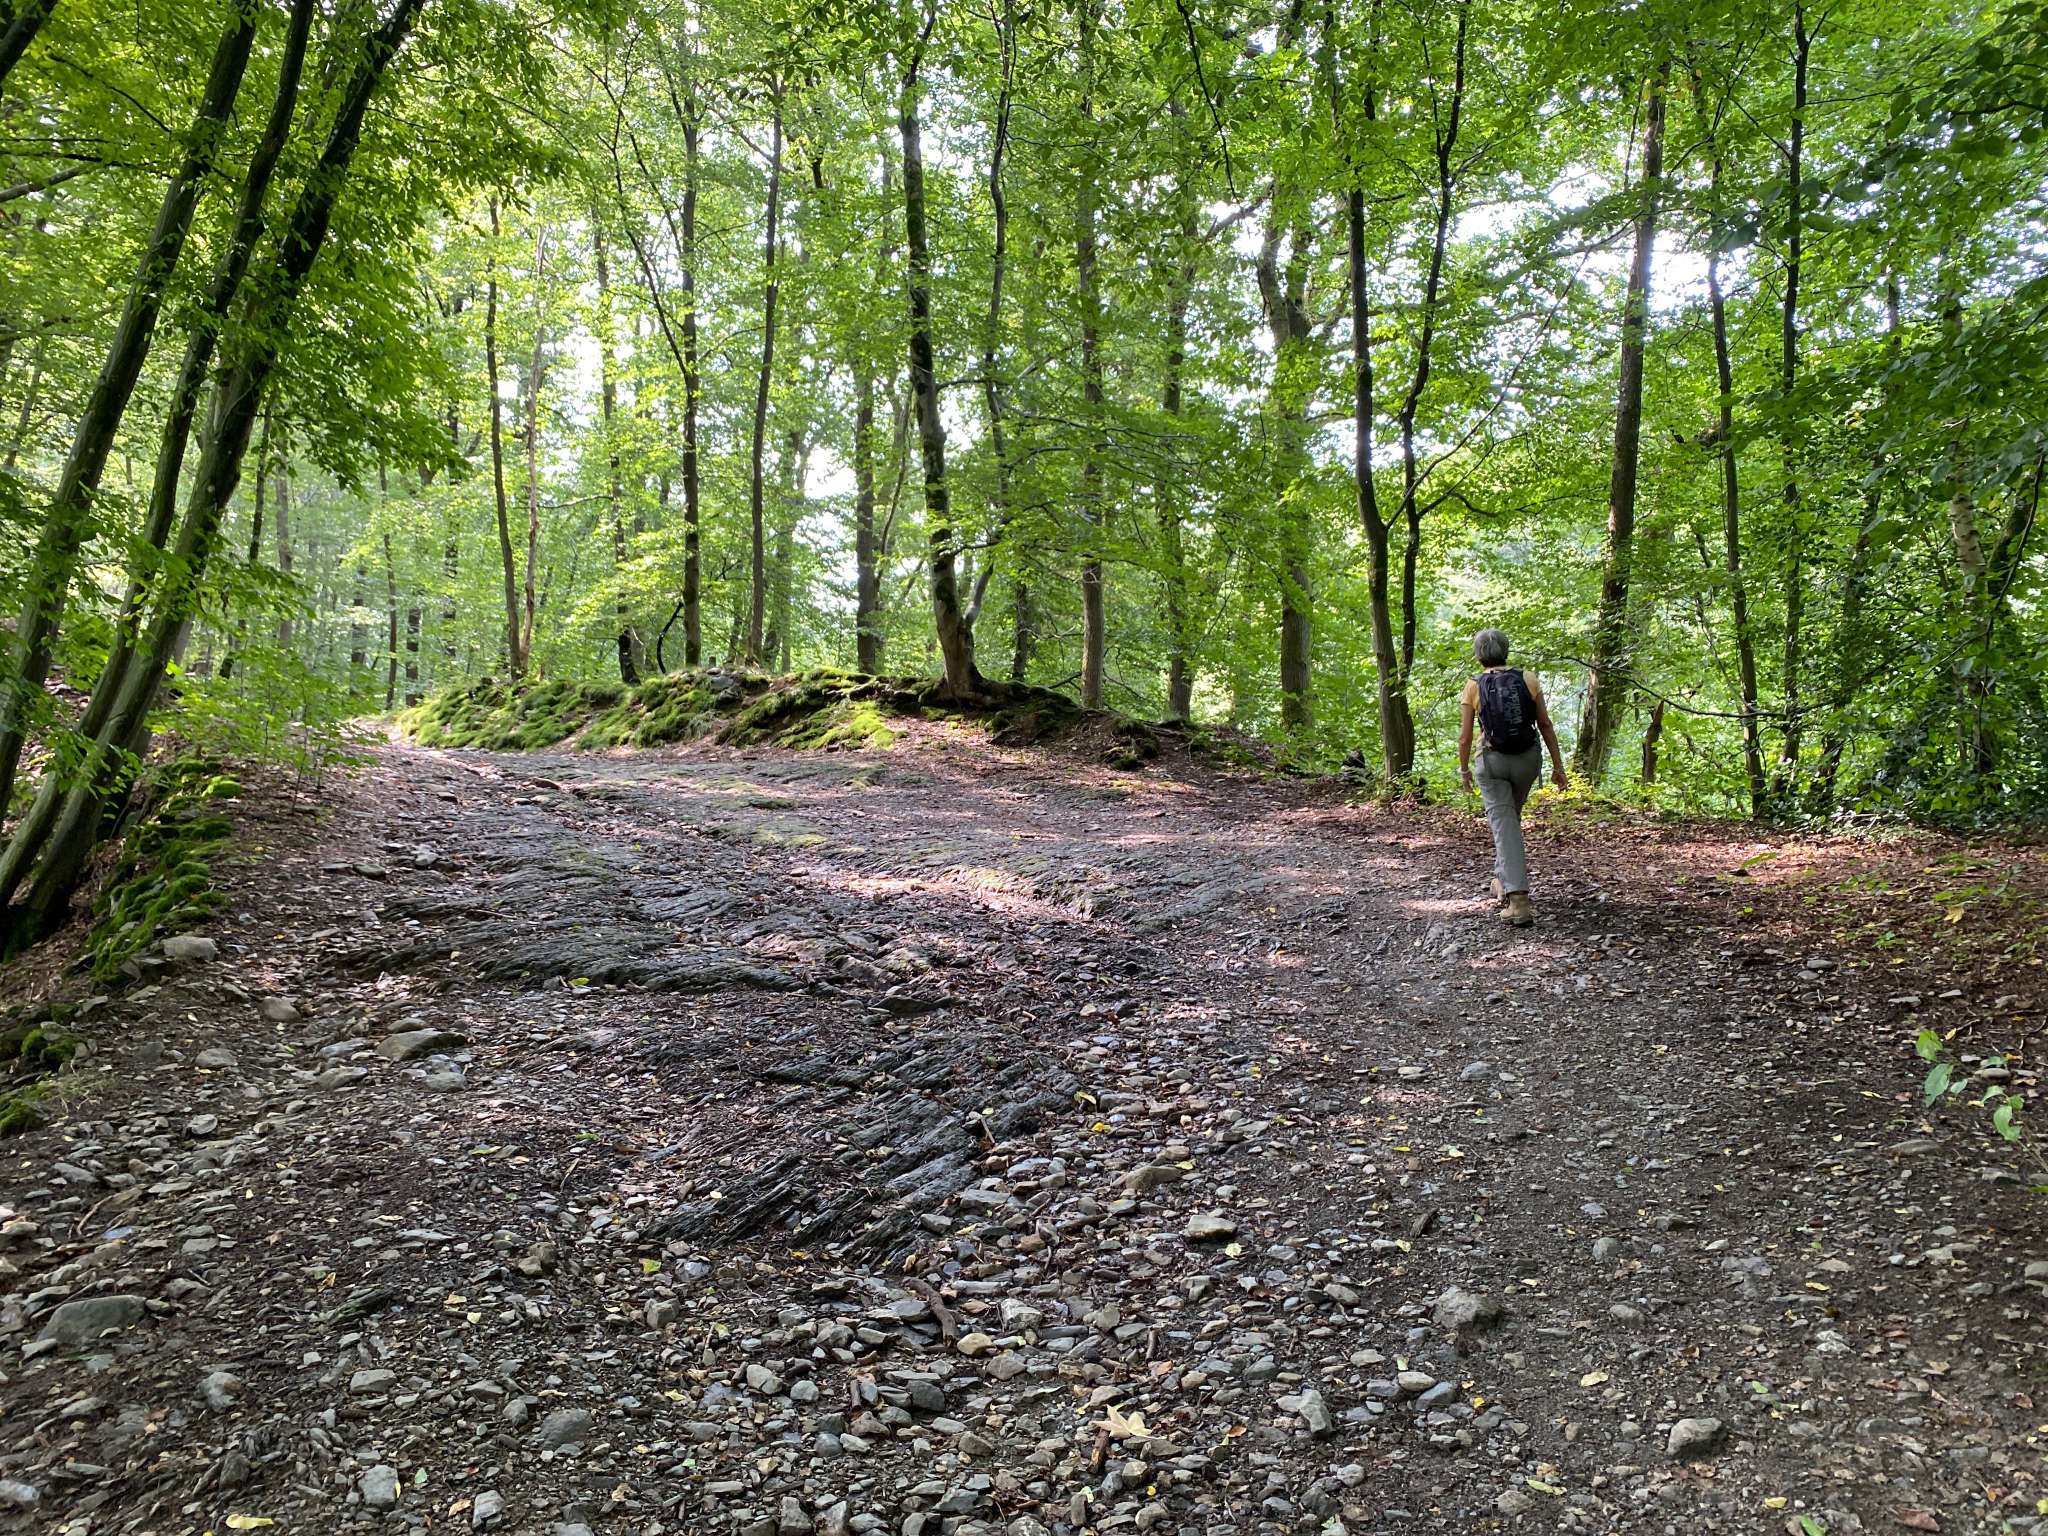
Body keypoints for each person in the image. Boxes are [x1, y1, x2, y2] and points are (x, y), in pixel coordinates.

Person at [1457, 628, 1568, 926]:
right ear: (1506, 650)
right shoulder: (1528, 678)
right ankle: (1501, 879)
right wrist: (1558, 767)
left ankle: (1518, 900)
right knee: (1508, 821)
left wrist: (1464, 770)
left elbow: (1465, 738)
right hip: (1527, 761)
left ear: (1478, 655)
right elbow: (1545, 724)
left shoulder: (1473, 685)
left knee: (1505, 824)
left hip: (1491, 762)